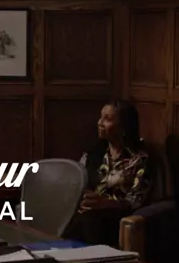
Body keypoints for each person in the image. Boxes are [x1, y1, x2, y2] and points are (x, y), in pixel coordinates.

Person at [61, 99, 152, 246]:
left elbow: (136, 201)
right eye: (100, 117)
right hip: (88, 214)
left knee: (87, 221)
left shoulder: (139, 159)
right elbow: (76, 183)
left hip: (116, 219)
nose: (100, 123)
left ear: (123, 127)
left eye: (107, 119)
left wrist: (106, 203)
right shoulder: (93, 153)